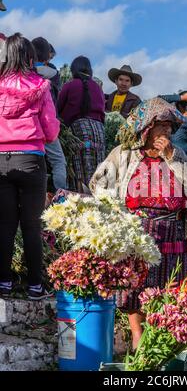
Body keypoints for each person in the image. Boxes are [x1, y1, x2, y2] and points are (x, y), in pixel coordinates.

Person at [89, 97, 187, 349]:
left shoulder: (177, 154)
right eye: (162, 125)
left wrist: (171, 156)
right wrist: (115, 214)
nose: (167, 131)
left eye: (170, 127)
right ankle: (137, 338)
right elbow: (98, 183)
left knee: (169, 287)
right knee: (136, 288)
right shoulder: (125, 155)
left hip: (172, 231)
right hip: (137, 232)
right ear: (146, 128)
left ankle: (161, 340)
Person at [0, 33, 60, 299]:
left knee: (4, 225)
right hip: (32, 160)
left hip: (2, 161)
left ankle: (4, 282)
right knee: (32, 226)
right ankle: (35, 285)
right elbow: (51, 131)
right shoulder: (41, 86)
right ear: (30, 58)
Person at [57, 56, 106, 192]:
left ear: (74, 70)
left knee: (78, 168)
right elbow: (103, 111)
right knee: (97, 168)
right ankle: (99, 198)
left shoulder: (69, 86)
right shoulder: (97, 87)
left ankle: (80, 200)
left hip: (77, 129)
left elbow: (58, 109)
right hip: (98, 131)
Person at [32, 37, 67, 191]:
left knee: (33, 158)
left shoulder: (22, 72)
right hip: (46, 123)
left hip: (27, 124)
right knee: (58, 160)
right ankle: (61, 195)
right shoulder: (53, 74)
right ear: (47, 57)